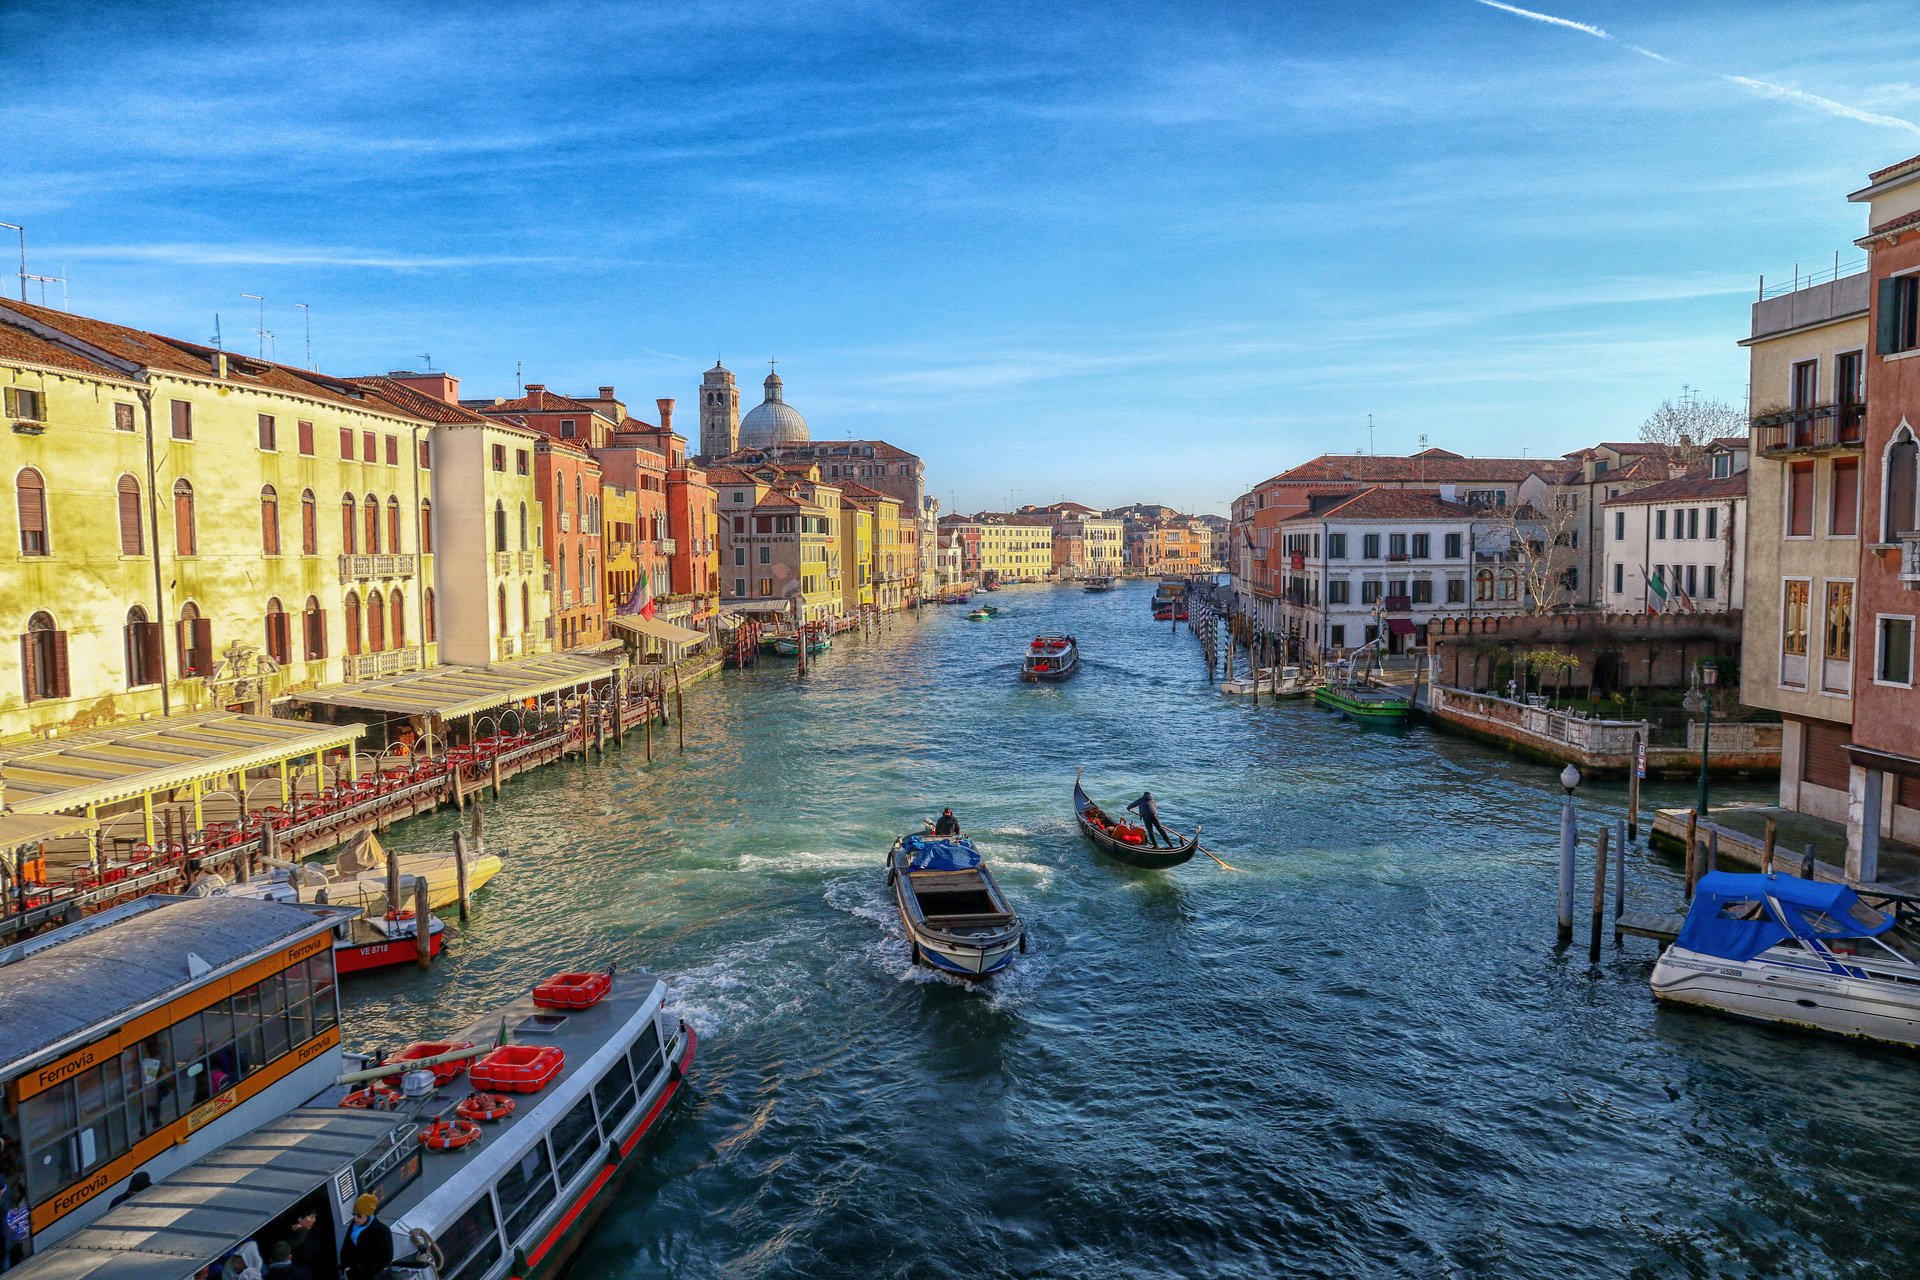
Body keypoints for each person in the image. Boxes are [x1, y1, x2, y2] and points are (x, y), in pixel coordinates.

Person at [338, 1195, 391, 1280]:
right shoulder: (353, 1226)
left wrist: (356, 1274)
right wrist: (346, 1269)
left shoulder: (382, 1231)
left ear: (368, 1215)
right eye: (354, 1214)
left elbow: (384, 1261)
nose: (355, 1218)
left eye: (359, 1215)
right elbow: (346, 1249)